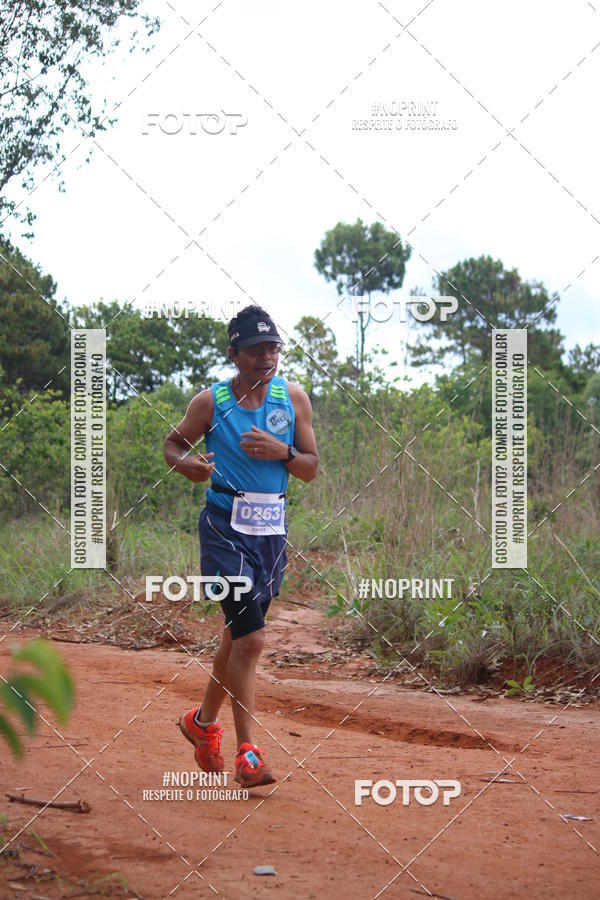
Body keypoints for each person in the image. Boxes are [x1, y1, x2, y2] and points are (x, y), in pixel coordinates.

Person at [163, 305, 319, 788]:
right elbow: (172, 446)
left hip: (270, 531)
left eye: (272, 347)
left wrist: (284, 452)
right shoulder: (210, 403)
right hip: (224, 528)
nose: (266, 357)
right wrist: (186, 465)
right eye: (255, 351)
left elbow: (311, 466)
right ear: (234, 354)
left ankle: (201, 723)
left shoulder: (292, 398)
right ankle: (248, 753)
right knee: (251, 639)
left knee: (236, 636)